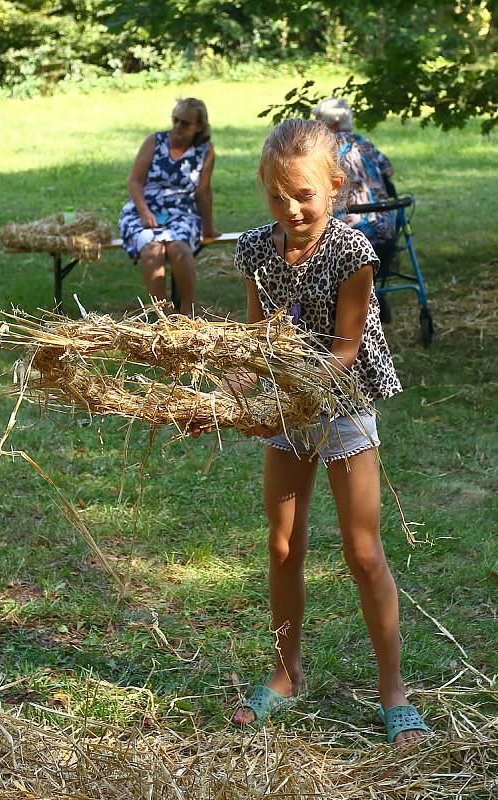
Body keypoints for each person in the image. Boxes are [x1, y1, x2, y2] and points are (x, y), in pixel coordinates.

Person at [228, 118, 429, 744]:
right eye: (277, 195)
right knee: (283, 545)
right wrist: (237, 386)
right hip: (288, 402)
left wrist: (299, 379)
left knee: (362, 552)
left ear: (334, 187)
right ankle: (287, 675)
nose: (290, 208)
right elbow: (258, 334)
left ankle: (393, 691)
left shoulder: (353, 254)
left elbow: (345, 347)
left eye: (304, 194)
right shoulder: (256, 249)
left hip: (341, 401)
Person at [118, 98, 220, 315]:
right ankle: (164, 316)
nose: (177, 127)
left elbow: (203, 192)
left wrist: (208, 228)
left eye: (185, 123)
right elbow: (134, 181)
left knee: (178, 247)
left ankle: (187, 314)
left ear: (199, 127)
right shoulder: (154, 141)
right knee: (151, 248)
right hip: (144, 209)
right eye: (175, 120)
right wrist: (144, 212)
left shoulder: (205, 151)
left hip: (182, 211)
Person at [314, 98, 395, 247]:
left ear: (331, 122)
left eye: (318, 120)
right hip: (384, 224)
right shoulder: (363, 142)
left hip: (349, 229)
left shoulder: (325, 147)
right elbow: (388, 170)